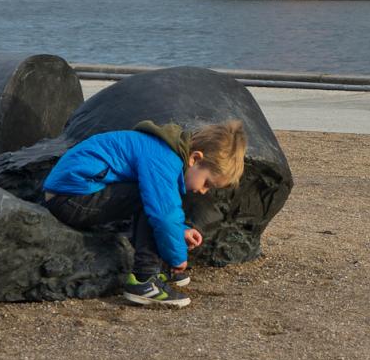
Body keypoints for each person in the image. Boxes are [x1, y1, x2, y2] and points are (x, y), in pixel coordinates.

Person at [41, 120, 247, 308]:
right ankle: (144, 280)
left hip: (75, 193)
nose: (203, 191)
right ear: (195, 158)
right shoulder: (162, 158)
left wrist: (181, 231)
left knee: (154, 200)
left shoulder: (163, 150)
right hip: (70, 199)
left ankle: (155, 271)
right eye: (207, 183)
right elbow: (163, 215)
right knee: (151, 201)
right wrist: (177, 258)